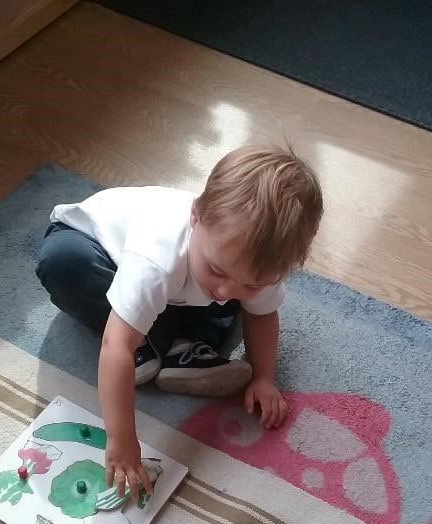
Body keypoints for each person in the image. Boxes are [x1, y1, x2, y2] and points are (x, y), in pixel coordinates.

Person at [35, 144, 323, 499]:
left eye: (251, 282)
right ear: (196, 215)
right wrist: (121, 440)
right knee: (65, 264)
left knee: (229, 300)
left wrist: (264, 376)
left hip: (176, 288)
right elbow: (115, 346)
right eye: (218, 271)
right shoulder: (157, 255)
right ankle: (160, 342)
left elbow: (262, 315)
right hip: (97, 253)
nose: (224, 288)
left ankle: (176, 346)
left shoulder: (247, 264)